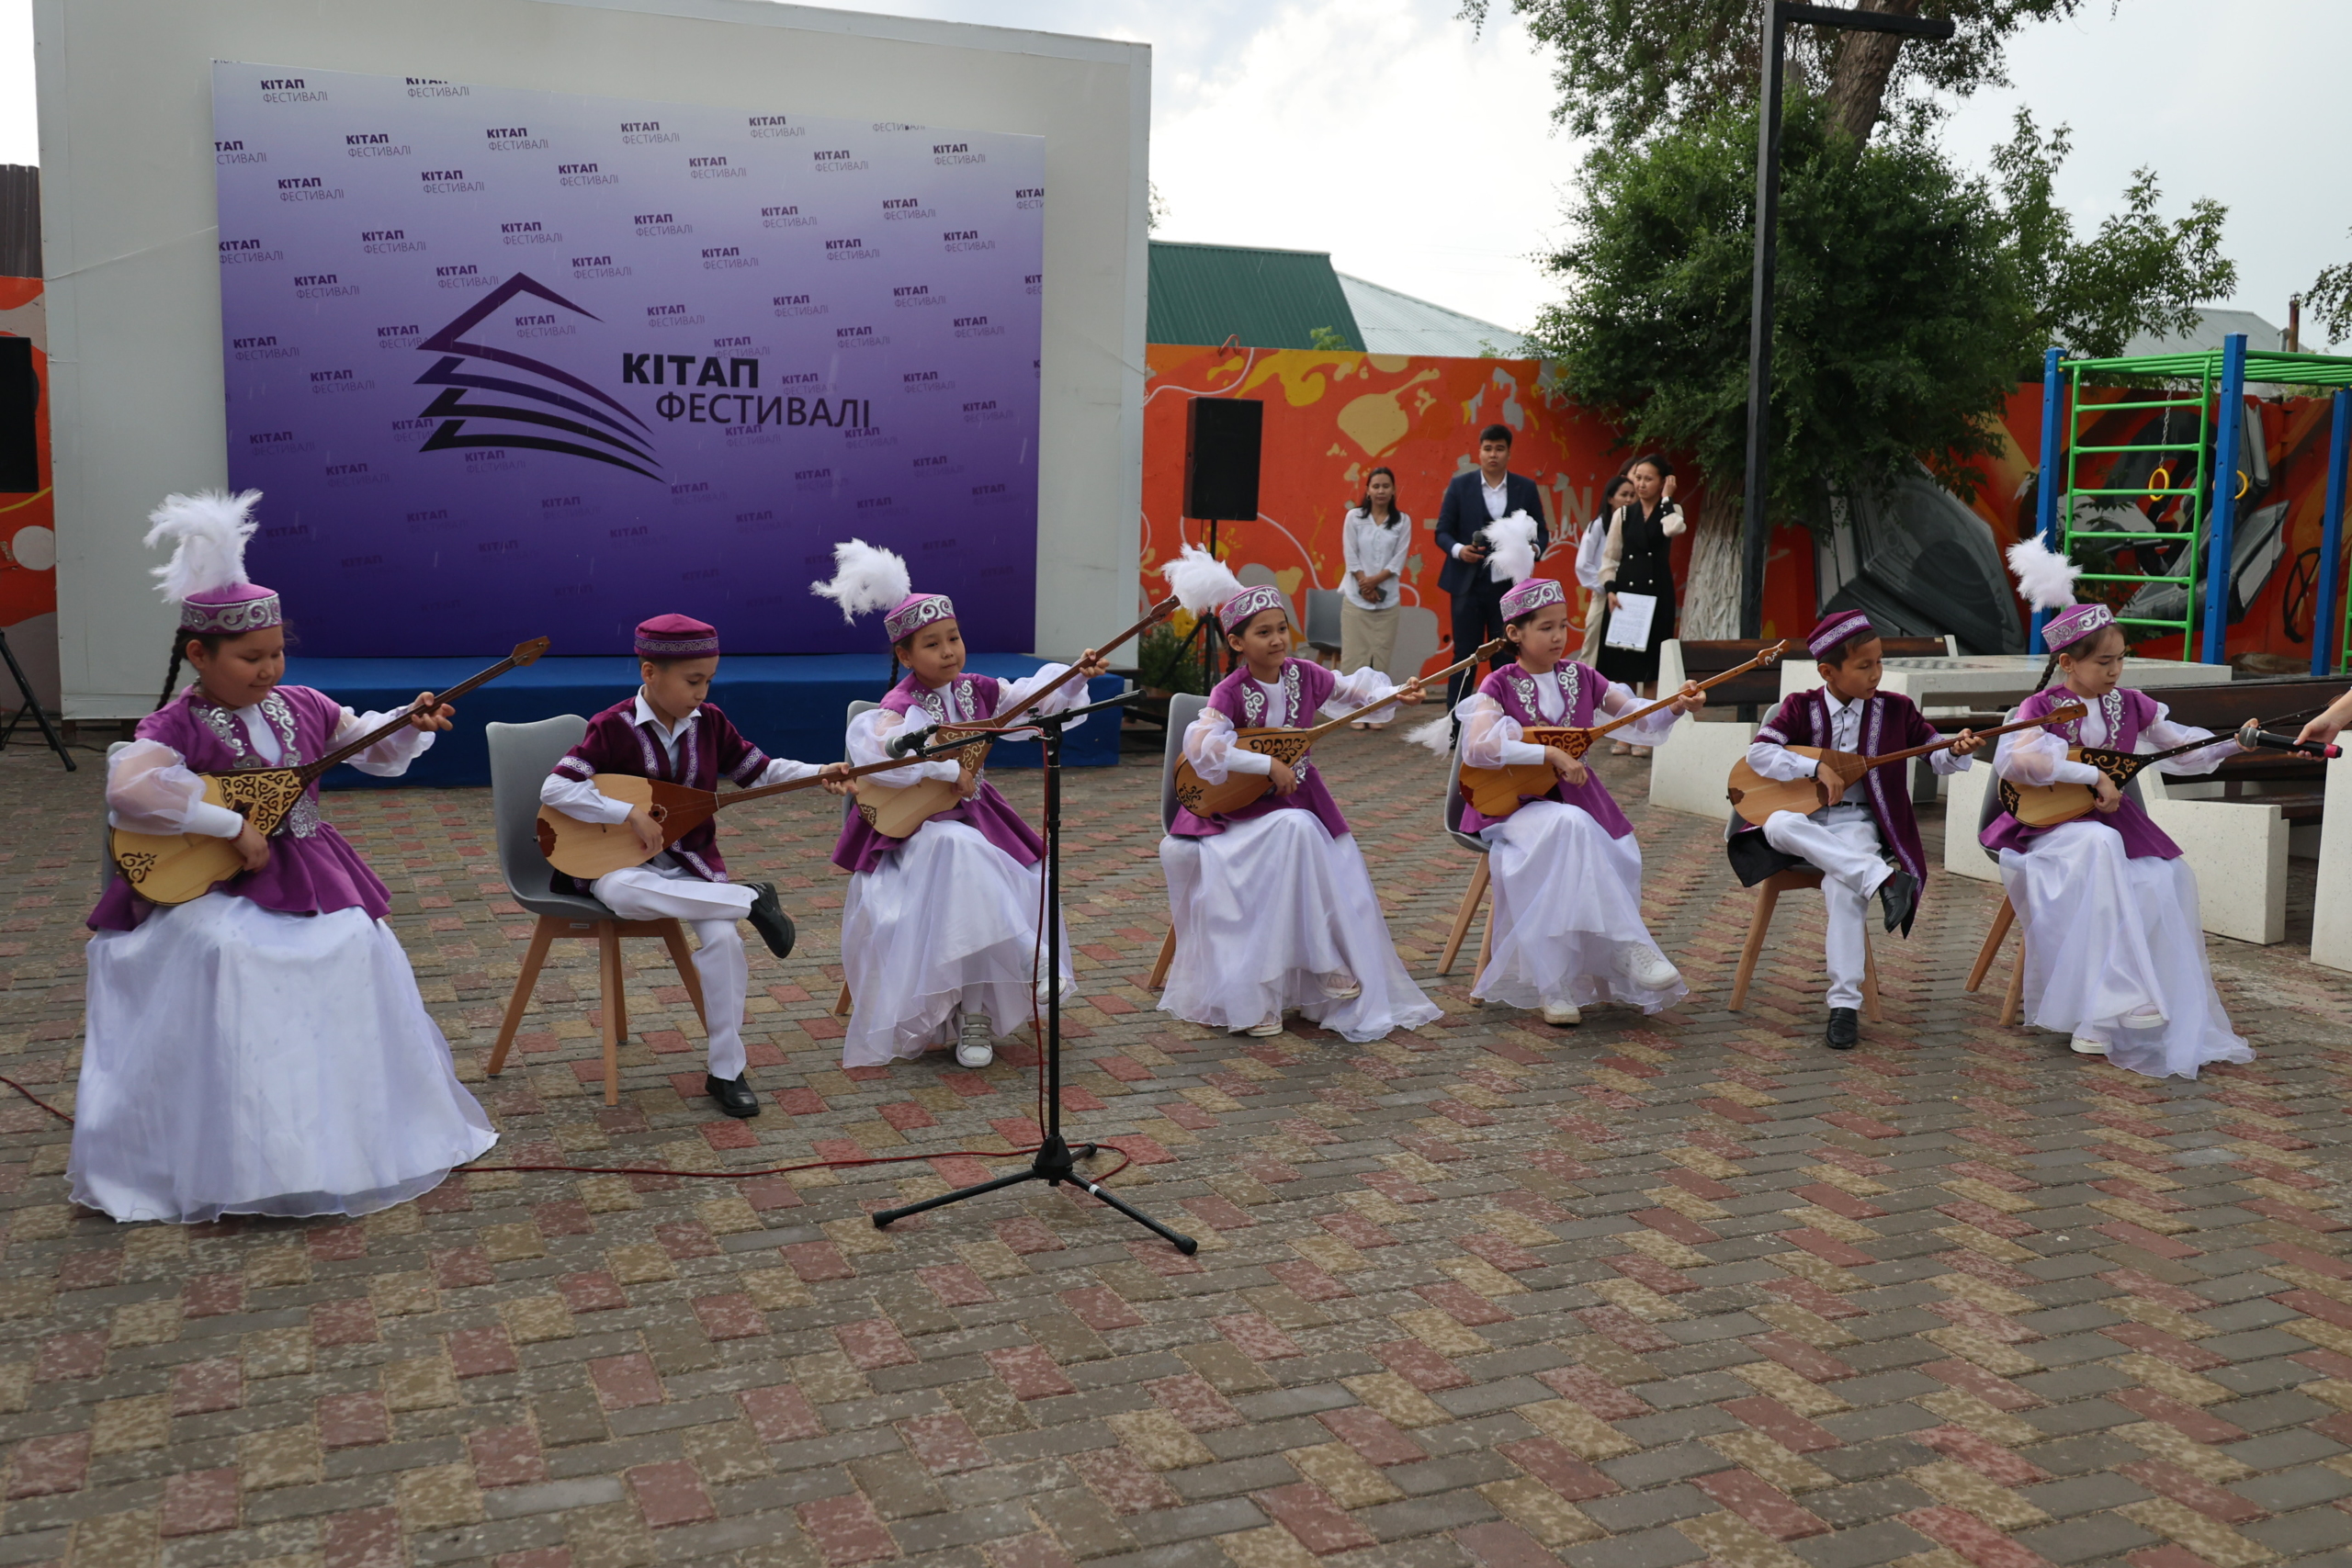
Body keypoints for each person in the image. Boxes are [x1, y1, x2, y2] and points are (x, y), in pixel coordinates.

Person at [74, 490, 496, 1223]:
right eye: (250, 658)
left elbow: (370, 748)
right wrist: (226, 823)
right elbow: (130, 789)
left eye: (275, 653)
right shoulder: (176, 722)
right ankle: (244, 1154)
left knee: (357, 939)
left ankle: (347, 1140)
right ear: (199, 655)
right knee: (232, 954)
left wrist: (409, 723)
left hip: (306, 871)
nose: (269, 668)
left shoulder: (302, 704)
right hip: (213, 886)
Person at [812, 541, 1108, 1070]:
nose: (949, 651)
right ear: (905, 656)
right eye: (932, 644)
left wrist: (1074, 677)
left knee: (994, 864)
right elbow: (884, 760)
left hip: (976, 821)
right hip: (911, 838)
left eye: (954, 638)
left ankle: (977, 1016)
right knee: (956, 846)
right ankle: (1025, 957)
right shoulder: (896, 709)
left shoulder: (977, 691)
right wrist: (950, 771)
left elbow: (1030, 704)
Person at [539, 615, 841, 1118]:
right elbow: (556, 788)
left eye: (708, 681)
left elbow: (759, 771)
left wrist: (819, 771)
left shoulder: (711, 723)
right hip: (620, 865)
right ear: (649, 672)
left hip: (691, 867)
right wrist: (626, 812)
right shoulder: (611, 726)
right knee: (621, 893)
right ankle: (750, 900)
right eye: (692, 681)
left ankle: (726, 1070)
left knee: (724, 942)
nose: (701, 693)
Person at [1982, 539, 2255, 1076]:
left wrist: (2231, 743)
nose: (2115, 670)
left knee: (2166, 876)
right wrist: (2091, 774)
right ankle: (2117, 998)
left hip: (2111, 824)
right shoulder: (2041, 706)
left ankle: (2102, 1020)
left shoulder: (2130, 704)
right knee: (2100, 843)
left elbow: (2180, 747)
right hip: (2047, 826)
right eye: (2103, 661)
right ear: (2067, 662)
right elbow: (2019, 762)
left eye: (2121, 658)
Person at [1159, 548, 1442, 1041]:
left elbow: (1354, 693)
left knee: (1312, 838)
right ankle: (1300, 971)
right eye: (1263, 633)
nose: (1277, 640)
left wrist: (1396, 693)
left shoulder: (1304, 675)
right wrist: (1264, 764)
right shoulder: (1230, 691)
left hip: (1299, 803)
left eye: (1281, 629)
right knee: (1298, 830)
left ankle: (1314, 968)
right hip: (1236, 813)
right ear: (1237, 642)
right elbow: (1201, 747)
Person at [1449, 573, 1701, 1026]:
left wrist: (1677, 705)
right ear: (1515, 633)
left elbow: (1638, 718)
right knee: (1571, 827)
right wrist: (1547, 753)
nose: (1559, 636)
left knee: (1605, 842)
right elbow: (1478, 747)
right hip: (1510, 806)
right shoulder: (1498, 685)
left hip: (1575, 801)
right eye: (1546, 627)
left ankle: (1573, 972)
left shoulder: (1582, 676)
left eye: (1564, 625)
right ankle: (1614, 951)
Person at [1728, 610, 1983, 1051]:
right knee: (1779, 823)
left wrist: (1957, 750)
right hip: (1802, 820)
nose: (1876, 674)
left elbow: (1935, 755)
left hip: (1856, 823)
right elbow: (1760, 754)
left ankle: (1844, 1005)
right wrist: (1814, 767)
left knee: (1844, 888)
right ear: (1828, 672)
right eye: (1864, 666)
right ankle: (1882, 879)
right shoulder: (1800, 706)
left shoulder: (1896, 710)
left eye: (1879, 662)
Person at [1434, 424, 1549, 709]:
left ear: (1508, 453)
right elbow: (1442, 531)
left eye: (1499, 449)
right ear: (1479, 452)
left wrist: (1531, 551)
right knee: (1465, 655)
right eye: (1488, 449)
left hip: (1508, 586)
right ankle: (1456, 723)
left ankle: (1508, 716)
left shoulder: (1525, 487)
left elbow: (1541, 532)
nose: (1493, 455)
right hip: (1467, 586)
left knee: (1506, 653)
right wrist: (1460, 550)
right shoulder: (1460, 486)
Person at [1594, 456, 1685, 755]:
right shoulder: (1623, 514)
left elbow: (1673, 529)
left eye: (1649, 479)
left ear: (1663, 482)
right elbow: (1610, 557)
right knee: (1624, 668)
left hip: (1656, 596)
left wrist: (1667, 498)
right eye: (1638, 478)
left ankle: (1646, 734)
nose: (1641, 484)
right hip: (1625, 597)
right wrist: (1610, 589)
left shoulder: (1670, 510)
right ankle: (1624, 733)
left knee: (1650, 670)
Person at [1340, 467, 1411, 726]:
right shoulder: (1354, 517)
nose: (1381, 491)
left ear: (1394, 491)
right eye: (1376, 486)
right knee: (1354, 659)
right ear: (1368, 490)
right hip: (1356, 598)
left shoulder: (1402, 521)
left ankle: (1377, 712)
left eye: (1386, 486)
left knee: (1380, 659)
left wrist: (1373, 582)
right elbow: (1350, 554)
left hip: (1387, 600)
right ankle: (1353, 713)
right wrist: (1364, 584)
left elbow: (1398, 560)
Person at [1576, 470, 1637, 666]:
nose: (1629, 500)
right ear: (1610, 498)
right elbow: (1583, 565)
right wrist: (1608, 587)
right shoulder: (1598, 526)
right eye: (1623, 495)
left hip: (1631, 596)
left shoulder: (1637, 527)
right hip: (1603, 595)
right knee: (1593, 647)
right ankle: (1585, 684)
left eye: (1632, 495)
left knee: (1626, 651)